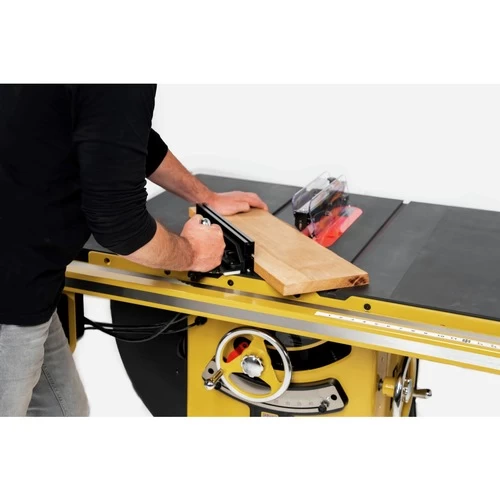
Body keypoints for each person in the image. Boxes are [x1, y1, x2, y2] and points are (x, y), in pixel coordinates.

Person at [0, 84, 268, 417]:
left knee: (64, 412)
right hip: (10, 293)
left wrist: (206, 197)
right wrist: (194, 253)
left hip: (25, 278)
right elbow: (120, 227)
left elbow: (116, 130)